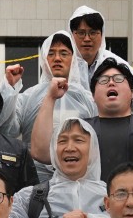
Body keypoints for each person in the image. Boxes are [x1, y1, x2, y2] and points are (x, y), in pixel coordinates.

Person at [34, 58, 133, 187]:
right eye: (103, 80)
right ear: (93, 96)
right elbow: (41, 152)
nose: (111, 83)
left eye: (118, 79)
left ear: (132, 93)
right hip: (89, 210)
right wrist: (50, 97)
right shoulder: (79, 129)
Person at [19, 31, 92, 178]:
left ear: (74, 60)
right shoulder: (29, 96)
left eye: (64, 53)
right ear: (44, 59)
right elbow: (8, 127)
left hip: (77, 177)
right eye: (51, 53)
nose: (57, 58)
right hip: (36, 178)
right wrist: (9, 89)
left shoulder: (86, 98)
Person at [66, 5, 133, 112]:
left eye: (93, 33)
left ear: (102, 35)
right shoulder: (63, 63)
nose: (87, 39)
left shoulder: (113, 62)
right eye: (81, 33)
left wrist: (119, 98)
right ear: (71, 35)